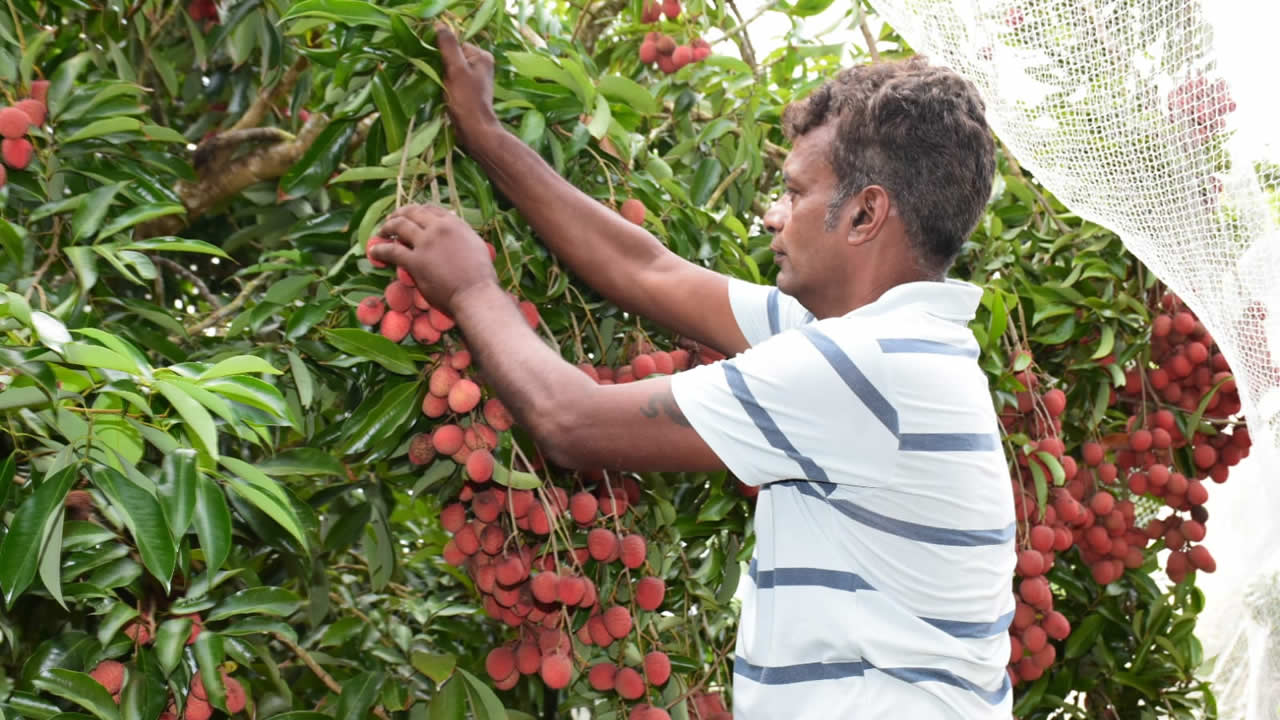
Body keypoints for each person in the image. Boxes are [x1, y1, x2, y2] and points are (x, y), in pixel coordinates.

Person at [371, 24, 1015, 719]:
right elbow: (646, 270)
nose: (773, 215)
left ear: (864, 214)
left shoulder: (859, 368)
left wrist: (471, 288)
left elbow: (570, 421)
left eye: (794, 193)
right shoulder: (873, 342)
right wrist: (487, 134)